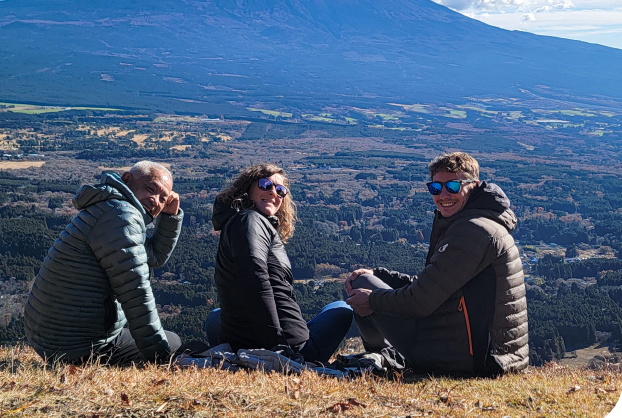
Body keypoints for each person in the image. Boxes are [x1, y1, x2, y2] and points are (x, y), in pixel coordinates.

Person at [343, 151, 528, 376]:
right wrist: (382, 275)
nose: (443, 195)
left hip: (474, 360)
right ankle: (387, 358)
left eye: (452, 186)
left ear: (474, 185)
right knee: (368, 280)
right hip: (487, 353)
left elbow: (419, 301)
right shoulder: (477, 222)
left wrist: (371, 299)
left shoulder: (473, 231)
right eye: (435, 188)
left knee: (362, 286)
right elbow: (435, 284)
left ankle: (385, 359)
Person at [23, 161, 183, 364]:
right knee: (173, 342)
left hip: (52, 337)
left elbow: (154, 257)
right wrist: (160, 358)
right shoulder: (122, 216)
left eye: (163, 198)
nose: (155, 201)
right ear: (127, 179)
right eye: (150, 189)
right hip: (78, 346)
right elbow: (136, 294)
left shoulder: (110, 205)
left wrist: (169, 217)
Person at [207, 163, 356, 363]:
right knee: (342, 308)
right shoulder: (250, 221)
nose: (273, 193)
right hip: (292, 348)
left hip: (240, 340)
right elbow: (255, 281)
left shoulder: (237, 222)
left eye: (280, 190)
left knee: (215, 316)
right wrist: (278, 347)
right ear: (247, 189)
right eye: (265, 185)